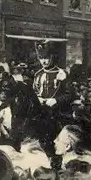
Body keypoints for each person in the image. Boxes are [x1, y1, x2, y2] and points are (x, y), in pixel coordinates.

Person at [32, 40, 74, 170]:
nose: (44, 61)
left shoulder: (61, 74)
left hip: (57, 113)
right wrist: (37, 99)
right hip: (41, 112)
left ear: (51, 57)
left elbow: (69, 95)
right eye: (41, 58)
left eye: (46, 58)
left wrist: (56, 100)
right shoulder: (38, 75)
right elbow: (35, 91)